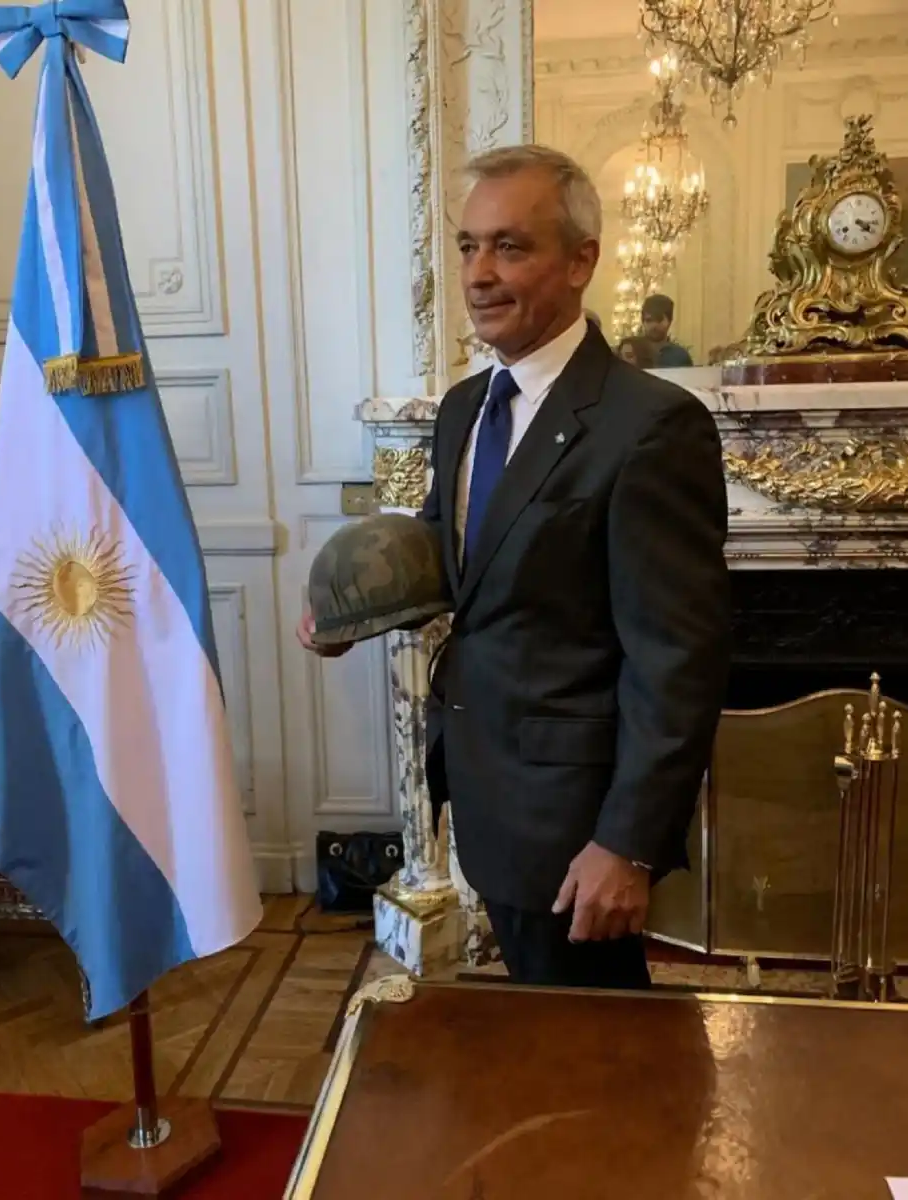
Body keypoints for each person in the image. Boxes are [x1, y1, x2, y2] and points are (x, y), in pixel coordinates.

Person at [298, 144, 730, 991]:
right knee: (542, 1036)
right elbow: (454, 551)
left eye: (510, 247)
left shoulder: (649, 427)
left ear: (581, 262)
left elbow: (676, 660)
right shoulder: (465, 407)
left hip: (575, 821)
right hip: (486, 783)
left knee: (594, 1055)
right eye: (467, 247)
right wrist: (350, 616)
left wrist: (627, 844)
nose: (479, 274)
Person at [641, 293, 694, 367]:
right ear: (643, 322)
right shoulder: (631, 353)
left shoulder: (680, 356)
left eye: (659, 320)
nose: (654, 325)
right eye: (649, 320)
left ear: (669, 321)